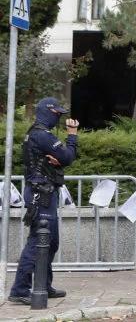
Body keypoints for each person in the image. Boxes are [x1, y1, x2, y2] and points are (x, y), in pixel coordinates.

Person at [7, 98, 77, 306]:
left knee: (50, 241)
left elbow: (59, 160)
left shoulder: (35, 132)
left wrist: (58, 162)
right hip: (41, 193)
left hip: (43, 192)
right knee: (39, 241)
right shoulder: (42, 135)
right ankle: (20, 289)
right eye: (57, 114)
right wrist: (72, 137)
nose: (59, 118)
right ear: (47, 112)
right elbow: (67, 157)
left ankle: (42, 284)